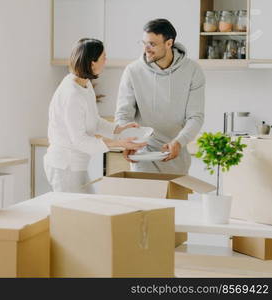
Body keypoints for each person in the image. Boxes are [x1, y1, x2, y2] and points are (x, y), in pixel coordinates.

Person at [44, 38, 146, 193]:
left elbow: (95, 121)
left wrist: (119, 129)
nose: (106, 61)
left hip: (77, 165)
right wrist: (119, 143)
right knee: (75, 214)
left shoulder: (84, 84)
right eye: (103, 57)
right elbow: (79, 141)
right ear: (92, 63)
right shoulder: (72, 95)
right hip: (65, 166)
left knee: (86, 209)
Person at [115, 19, 205, 174]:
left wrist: (179, 141)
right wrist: (128, 141)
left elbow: (195, 117)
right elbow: (123, 114)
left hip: (176, 153)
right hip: (142, 154)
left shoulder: (193, 71)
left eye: (152, 44)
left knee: (175, 198)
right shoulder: (133, 71)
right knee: (145, 198)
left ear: (169, 43)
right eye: (143, 43)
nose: (146, 49)